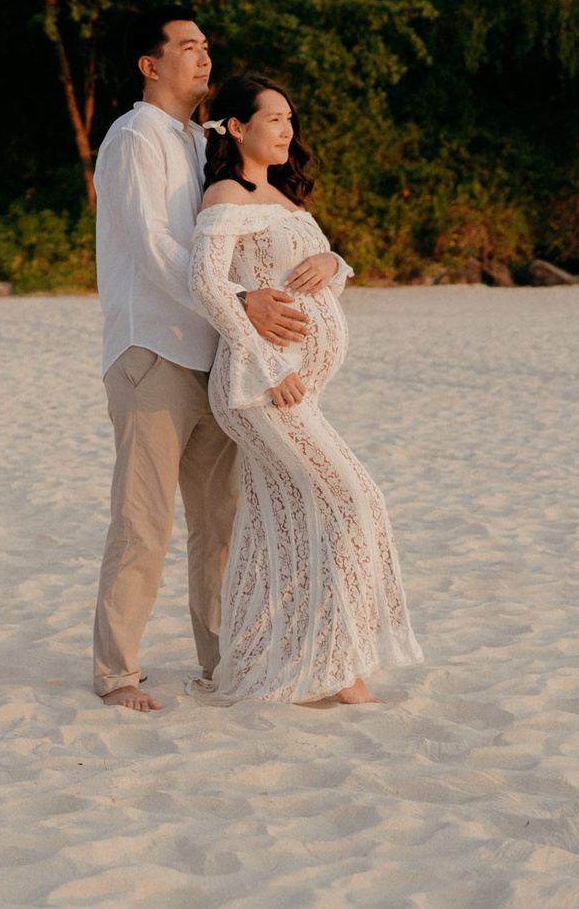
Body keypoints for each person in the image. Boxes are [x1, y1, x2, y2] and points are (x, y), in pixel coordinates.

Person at [91, 9, 311, 712]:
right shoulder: (133, 138)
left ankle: (222, 663)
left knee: (221, 522)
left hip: (215, 353)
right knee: (143, 517)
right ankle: (117, 671)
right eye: (187, 47)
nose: (204, 56)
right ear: (149, 65)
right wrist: (241, 299)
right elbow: (155, 248)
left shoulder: (204, 141)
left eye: (207, 45)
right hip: (151, 350)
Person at [188, 72, 422, 707]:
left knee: (278, 523)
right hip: (260, 390)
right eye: (273, 119)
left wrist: (335, 264)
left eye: (291, 119)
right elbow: (208, 287)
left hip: (297, 389)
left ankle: (271, 662)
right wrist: (269, 367)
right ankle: (342, 670)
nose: (288, 130)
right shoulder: (225, 195)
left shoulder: (284, 197)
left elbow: (313, 279)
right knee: (353, 501)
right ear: (236, 128)